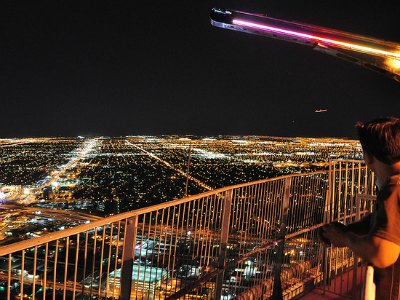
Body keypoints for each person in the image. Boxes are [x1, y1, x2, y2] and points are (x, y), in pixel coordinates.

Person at [320, 116, 400, 299]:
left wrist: (345, 238)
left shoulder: (394, 189)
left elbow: (382, 254)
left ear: (368, 156)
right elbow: (387, 221)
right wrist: (349, 229)